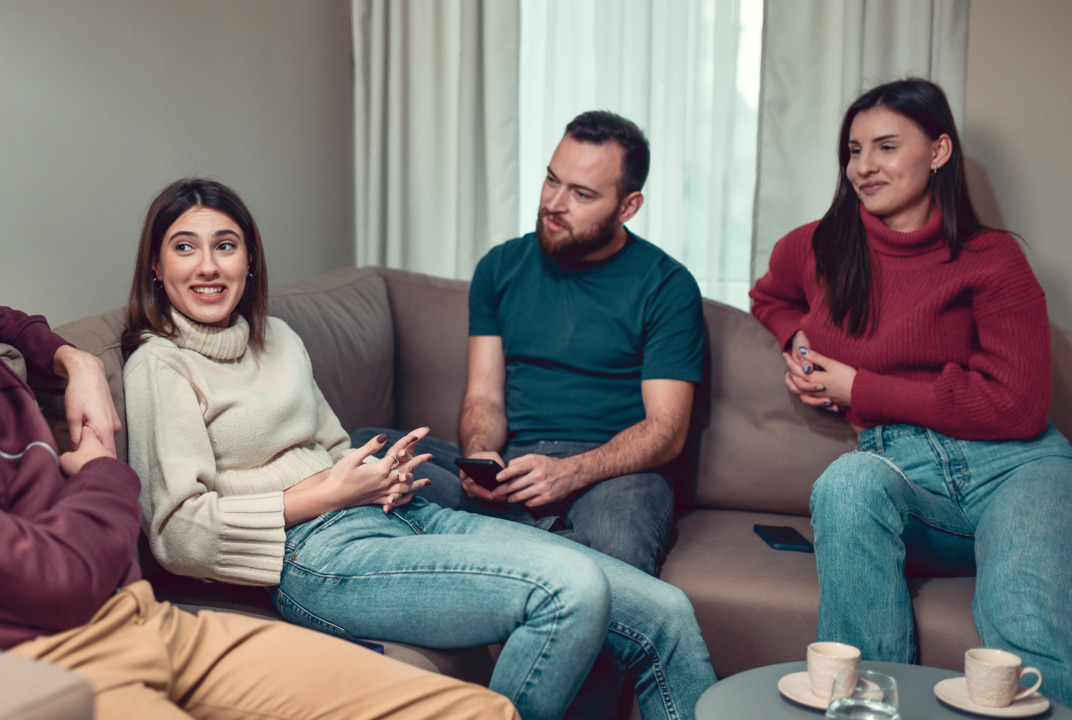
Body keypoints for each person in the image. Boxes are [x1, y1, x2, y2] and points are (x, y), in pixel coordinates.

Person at [0, 63, 517, 720]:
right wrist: (100, 464)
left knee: (473, 714)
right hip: (37, 665)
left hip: (143, 622)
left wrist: (73, 361)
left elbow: (5, 319)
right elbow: (49, 578)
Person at [122, 178, 716, 720]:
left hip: (397, 515)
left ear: (249, 260)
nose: (208, 266)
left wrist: (381, 478)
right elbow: (178, 534)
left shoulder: (277, 338)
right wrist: (325, 493)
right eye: (184, 247)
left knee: (667, 614)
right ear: (156, 264)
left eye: (225, 245)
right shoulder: (159, 365)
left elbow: (332, 449)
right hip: (314, 558)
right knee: (571, 590)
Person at [750, 77, 1072, 704]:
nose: (864, 167)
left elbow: (1019, 405)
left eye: (886, 147)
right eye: (853, 150)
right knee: (844, 484)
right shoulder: (821, 244)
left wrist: (860, 386)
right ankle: (863, 708)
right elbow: (770, 295)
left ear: (939, 151)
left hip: (1017, 468)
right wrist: (799, 348)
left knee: (1024, 633)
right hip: (902, 471)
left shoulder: (993, 259)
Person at [357, 110, 707, 580]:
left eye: (581, 194)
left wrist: (573, 471)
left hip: (610, 471)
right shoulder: (501, 267)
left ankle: (514, 544)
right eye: (551, 180)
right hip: (514, 465)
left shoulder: (667, 285)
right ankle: (543, 539)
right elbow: (484, 394)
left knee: (617, 561)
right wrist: (480, 454)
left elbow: (666, 428)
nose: (554, 204)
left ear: (628, 206)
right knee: (365, 451)